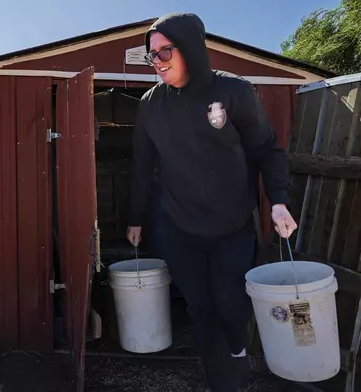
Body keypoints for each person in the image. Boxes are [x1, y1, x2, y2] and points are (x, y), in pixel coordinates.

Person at [126, 13, 298, 391]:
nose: (157, 61)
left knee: (231, 303)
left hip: (231, 226)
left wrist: (278, 201)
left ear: (189, 47)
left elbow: (268, 149)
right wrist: (136, 217)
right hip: (179, 226)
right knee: (200, 308)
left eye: (164, 51)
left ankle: (237, 353)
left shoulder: (233, 92)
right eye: (151, 55)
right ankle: (219, 377)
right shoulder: (150, 106)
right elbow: (142, 165)